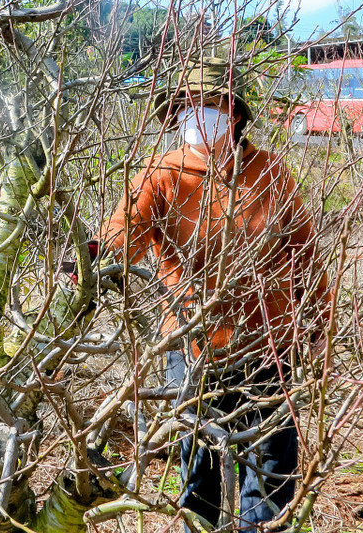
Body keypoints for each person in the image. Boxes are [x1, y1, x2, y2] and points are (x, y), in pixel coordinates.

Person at [98, 57, 326, 532]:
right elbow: (123, 232)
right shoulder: (163, 174)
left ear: (234, 113)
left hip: (271, 348)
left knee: (269, 478)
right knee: (198, 475)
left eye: (209, 103)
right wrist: (94, 255)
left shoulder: (269, 173)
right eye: (188, 104)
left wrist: (320, 327)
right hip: (193, 348)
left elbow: (304, 253)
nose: (197, 113)